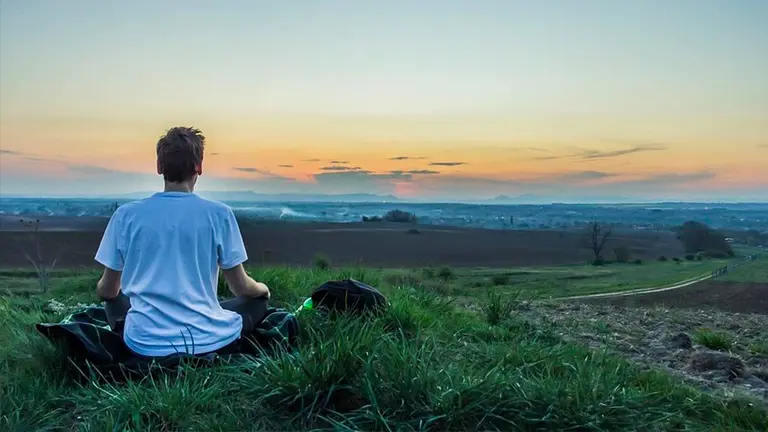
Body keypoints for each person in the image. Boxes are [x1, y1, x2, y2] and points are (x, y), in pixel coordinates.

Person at [94, 126, 271, 358]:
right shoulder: (219, 214)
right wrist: (263, 289)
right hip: (206, 339)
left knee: (113, 302)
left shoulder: (126, 215)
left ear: (159, 167)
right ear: (199, 167)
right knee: (257, 303)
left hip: (144, 342)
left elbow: (107, 290)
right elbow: (240, 287)